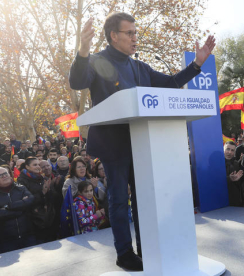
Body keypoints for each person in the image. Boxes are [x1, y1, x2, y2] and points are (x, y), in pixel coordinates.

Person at [68, 12, 215, 270]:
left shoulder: (139, 67)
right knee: (117, 199)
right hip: (114, 144)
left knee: (143, 197)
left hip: (144, 142)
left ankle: (147, 248)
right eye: (130, 33)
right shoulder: (96, 61)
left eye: (136, 33)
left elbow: (169, 84)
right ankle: (124, 253)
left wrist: (197, 65)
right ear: (114, 36)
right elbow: (77, 81)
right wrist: (82, 50)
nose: (135, 38)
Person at [17, 157, 55, 244]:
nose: (38, 167)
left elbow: (50, 198)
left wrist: (50, 190)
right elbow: (26, 200)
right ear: (27, 167)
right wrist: (42, 193)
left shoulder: (41, 178)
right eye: (35, 165)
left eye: (38, 164)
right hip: (33, 221)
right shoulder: (22, 180)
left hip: (47, 218)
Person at [0, 166, 36, 253]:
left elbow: (30, 201)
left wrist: (8, 207)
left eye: (5, 173)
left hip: (28, 235)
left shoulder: (21, 188)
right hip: (6, 240)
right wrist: (21, 210)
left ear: (10, 174)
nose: (4, 176)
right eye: (0, 175)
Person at [223, 141, 243, 206]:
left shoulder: (236, 163)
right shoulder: (216, 163)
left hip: (234, 200)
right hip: (220, 198)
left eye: (232, 150)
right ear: (223, 149)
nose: (229, 152)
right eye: (227, 149)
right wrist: (229, 179)